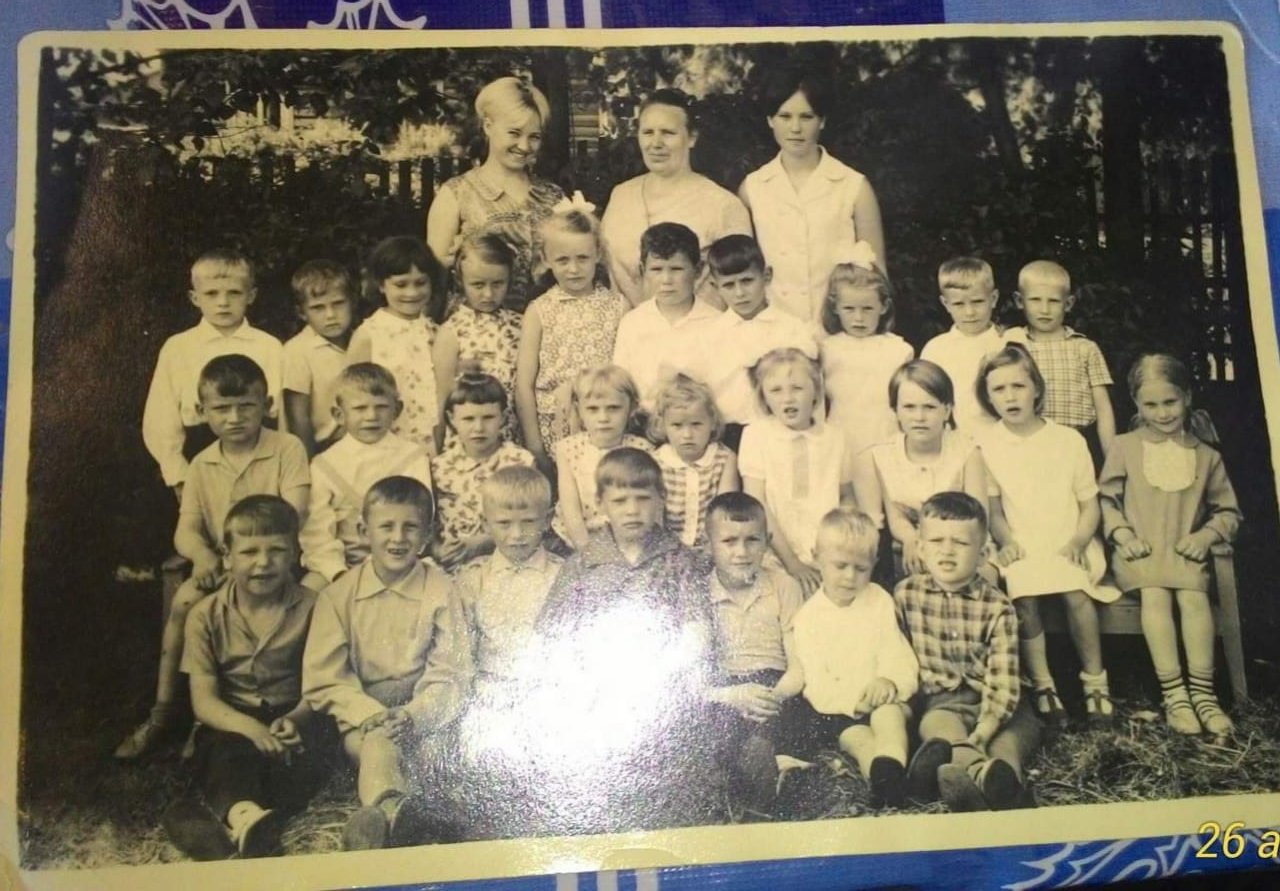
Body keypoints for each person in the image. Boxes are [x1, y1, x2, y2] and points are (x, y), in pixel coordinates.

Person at [117, 355, 310, 760]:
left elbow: (294, 513)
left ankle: (232, 713)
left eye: (246, 406)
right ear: (202, 411)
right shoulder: (202, 464)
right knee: (186, 601)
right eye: (222, 409)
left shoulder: (286, 448)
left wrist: (258, 556)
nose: (234, 418)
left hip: (274, 564)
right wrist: (204, 557)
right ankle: (165, 712)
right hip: (224, 566)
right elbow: (186, 528)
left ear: (267, 405)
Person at [531, 448, 715, 833]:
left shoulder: (677, 560)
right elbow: (551, 634)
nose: (632, 510)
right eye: (620, 501)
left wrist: (659, 672)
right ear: (601, 504)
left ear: (661, 500)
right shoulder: (584, 563)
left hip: (660, 685)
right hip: (594, 687)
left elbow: (696, 633)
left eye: (643, 498)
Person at [164, 496, 332, 860]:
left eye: (277, 550)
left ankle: (237, 826)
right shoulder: (205, 615)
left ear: (295, 554)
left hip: (294, 713)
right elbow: (204, 701)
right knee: (225, 753)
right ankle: (245, 818)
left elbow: (321, 682)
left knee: (306, 756)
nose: (263, 562)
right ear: (227, 557)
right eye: (249, 551)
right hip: (233, 718)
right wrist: (252, 729)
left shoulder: (315, 607)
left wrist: (296, 718)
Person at [303, 476, 464, 850]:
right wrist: (371, 715)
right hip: (364, 721)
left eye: (411, 527)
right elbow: (325, 678)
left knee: (434, 756)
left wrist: (414, 714)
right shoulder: (338, 596)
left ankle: (411, 820)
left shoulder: (442, 590)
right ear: (364, 531)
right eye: (386, 526)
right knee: (378, 746)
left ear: (427, 534)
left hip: (423, 715)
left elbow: (451, 669)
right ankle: (390, 813)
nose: (398, 538)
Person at [1098, 354, 1242, 736]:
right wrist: (1123, 535)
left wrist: (1205, 537)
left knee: (1192, 597)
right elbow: (1106, 501)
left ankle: (1204, 695)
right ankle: (1175, 695)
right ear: (1136, 404)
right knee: (1156, 593)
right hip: (1140, 553)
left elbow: (1228, 511)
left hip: (1183, 552)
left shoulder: (1206, 456)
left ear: (1187, 397)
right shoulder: (1124, 447)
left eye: (1170, 402)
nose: (1162, 413)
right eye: (1151, 404)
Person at [976, 343, 1115, 729]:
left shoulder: (1068, 440)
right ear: (988, 397)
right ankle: (1043, 684)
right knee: (1024, 593)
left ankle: (1095, 682)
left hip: (1071, 538)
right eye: (999, 389)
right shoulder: (987, 445)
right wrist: (1007, 542)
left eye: (1018, 386)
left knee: (1075, 590)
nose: (1010, 397)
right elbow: (994, 511)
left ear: (1036, 388)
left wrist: (1078, 542)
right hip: (1021, 541)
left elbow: (1090, 506)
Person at [895, 492, 1040, 812]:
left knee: (1005, 744)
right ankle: (972, 775)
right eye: (936, 541)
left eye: (960, 543)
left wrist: (986, 728)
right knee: (939, 730)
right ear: (920, 548)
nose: (947, 550)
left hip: (1004, 704)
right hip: (942, 702)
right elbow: (897, 656)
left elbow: (1004, 682)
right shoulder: (906, 596)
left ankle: (1003, 784)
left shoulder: (997, 606)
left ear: (983, 554)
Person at [448, 466, 563, 837]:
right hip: (490, 697)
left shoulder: (563, 576)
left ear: (548, 519)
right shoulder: (472, 579)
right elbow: (461, 654)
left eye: (528, 522)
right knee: (485, 760)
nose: (516, 535)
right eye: (504, 523)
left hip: (547, 694)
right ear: (485, 523)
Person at [788, 509, 918, 810]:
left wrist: (888, 681)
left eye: (860, 568)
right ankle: (887, 781)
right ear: (816, 557)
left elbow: (896, 650)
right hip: (842, 710)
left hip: (885, 699)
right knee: (858, 740)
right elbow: (816, 684)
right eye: (840, 565)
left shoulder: (878, 600)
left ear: (874, 563)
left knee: (888, 718)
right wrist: (853, 704)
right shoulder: (808, 618)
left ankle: (893, 761)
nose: (850, 576)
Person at [738, 68, 885, 324]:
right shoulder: (752, 188)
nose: (795, 128)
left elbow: (877, 273)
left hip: (839, 329)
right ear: (770, 120)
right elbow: (740, 270)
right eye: (785, 116)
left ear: (822, 121)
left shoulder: (853, 186)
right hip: (774, 328)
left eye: (806, 117)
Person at [142, 248, 282, 493]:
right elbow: (161, 419)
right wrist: (179, 475)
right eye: (211, 293)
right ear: (195, 298)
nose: (223, 303)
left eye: (234, 293)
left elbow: (279, 411)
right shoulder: (179, 347)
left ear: (251, 295)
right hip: (199, 453)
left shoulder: (269, 346)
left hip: (259, 453)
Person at [600, 88, 752, 307]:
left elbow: (740, 286)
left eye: (668, 133)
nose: (656, 143)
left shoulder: (723, 205)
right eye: (648, 132)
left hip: (700, 326)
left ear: (691, 138)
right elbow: (605, 270)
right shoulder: (621, 195)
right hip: (625, 324)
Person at [425, 76, 565, 311]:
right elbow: (433, 281)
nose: (524, 146)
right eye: (514, 133)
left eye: (534, 137)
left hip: (545, 325)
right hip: (476, 329)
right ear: (488, 126)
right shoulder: (456, 194)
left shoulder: (554, 197)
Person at [702, 492, 803, 813]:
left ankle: (765, 780)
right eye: (729, 541)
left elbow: (799, 667)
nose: (742, 552)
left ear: (768, 542)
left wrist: (773, 698)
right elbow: (697, 678)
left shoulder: (784, 586)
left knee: (774, 729)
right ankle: (751, 774)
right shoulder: (701, 592)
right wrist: (732, 696)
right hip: (728, 688)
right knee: (716, 730)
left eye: (752, 540)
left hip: (776, 686)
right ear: (709, 544)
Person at [515, 196, 630, 467]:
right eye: (563, 260)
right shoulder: (539, 310)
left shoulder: (618, 306)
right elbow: (524, 384)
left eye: (582, 258)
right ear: (546, 259)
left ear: (598, 254)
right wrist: (535, 446)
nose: (574, 269)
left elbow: (625, 374)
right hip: (553, 428)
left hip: (605, 426)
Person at [298, 363, 433, 589]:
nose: (372, 416)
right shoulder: (325, 464)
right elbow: (316, 533)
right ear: (339, 415)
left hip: (400, 559)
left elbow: (421, 518)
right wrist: (338, 572)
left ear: (397, 410)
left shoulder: (413, 457)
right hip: (343, 565)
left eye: (381, 407)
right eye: (360, 408)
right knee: (308, 592)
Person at [852, 360, 987, 579]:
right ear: (895, 411)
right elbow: (896, 517)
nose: (919, 417)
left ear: (947, 410)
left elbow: (979, 519)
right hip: (910, 549)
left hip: (962, 547)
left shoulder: (968, 452)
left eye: (930, 407)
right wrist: (911, 539)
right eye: (909, 407)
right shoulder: (883, 456)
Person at [739, 347, 853, 596]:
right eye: (776, 390)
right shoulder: (756, 435)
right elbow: (757, 504)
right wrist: (793, 563)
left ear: (816, 392)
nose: (788, 398)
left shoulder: (835, 438)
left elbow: (846, 497)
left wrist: (837, 550)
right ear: (764, 397)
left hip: (826, 552)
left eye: (797, 388)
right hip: (775, 553)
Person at [697, 233, 819, 447]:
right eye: (729, 285)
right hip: (730, 436)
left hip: (783, 431)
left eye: (747, 281)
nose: (739, 293)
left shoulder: (792, 329)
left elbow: (812, 389)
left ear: (767, 276)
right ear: (715, 286)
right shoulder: (710, 336)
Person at [1004, 260, 1116, 470]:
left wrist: (1112, 463)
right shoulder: (1013, 345)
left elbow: (1103, 409)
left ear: (1069, 303)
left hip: (1080, 443)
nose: (1044, 309)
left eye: (1054, 301)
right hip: (1031, 444)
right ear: (1019, 301)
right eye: (1035, 300)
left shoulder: (1085, 348)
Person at [347, 236, 446, 452]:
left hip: (434, 441)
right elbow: (352, 397)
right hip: (388, 444)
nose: (412, 293)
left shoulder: (437, 332)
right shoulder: (369, 335)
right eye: (401, 284)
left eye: (421, 283)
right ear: (381, 285)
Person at [611, 222, 723, 410]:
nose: (666, 280)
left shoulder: (717, 323)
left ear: (698, 270)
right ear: (642, 270)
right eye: (657, 269)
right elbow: (621, 387)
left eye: (676, 269)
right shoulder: (633, 323)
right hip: (643, 421)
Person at [430, 374, 536, 573]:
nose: (478, 428)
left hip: (505, 559)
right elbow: (428, 526)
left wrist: (484, 543)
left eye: (488, 418)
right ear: (452, 419)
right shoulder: (439, 468)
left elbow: (532, 523)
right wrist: (437, 549)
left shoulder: (519, 462)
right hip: (452, 564)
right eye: (468, 419)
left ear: (503, 417)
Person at [819, 243, 915, 460]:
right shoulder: (827, 350)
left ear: (883, 307)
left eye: (867, 309)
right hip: (843, 434)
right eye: (849, 309)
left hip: (886, 434)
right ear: (835, 307)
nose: (859, 318)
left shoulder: (898, 350)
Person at [432, 233, 524, 446]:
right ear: (460, 280)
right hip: (469, 441)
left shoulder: (521, 324)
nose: (488, 294)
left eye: (498, 284)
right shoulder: (452, 331)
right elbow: (441, 397)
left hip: (510, 439)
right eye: (478, 285)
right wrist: (437, 448)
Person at [552, 365, 652, 550]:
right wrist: (588, 552)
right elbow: (570, 509)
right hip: (579, 540)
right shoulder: (568, 450)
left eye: (613, 408)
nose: (603, 418)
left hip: (630, 539)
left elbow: (648, 507)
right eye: (593, 409)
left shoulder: (642, 449)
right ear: (579, 411)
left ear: (631, 408)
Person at [649, 374, 739, 550]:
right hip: (666, 549)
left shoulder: (724, 458)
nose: (687, 435)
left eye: (696, 424)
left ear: (712, 422)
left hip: (711, 547)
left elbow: (725, 513)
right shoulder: (655, 462)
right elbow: (653, 518)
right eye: (677, 425)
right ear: (663, 425)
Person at [920, 257, 1005, 435]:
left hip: (1000, 437)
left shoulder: (1005, 344)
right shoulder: (936, 349)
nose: (970, 312)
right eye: (959, 304)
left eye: (978, 301)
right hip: (952, 438)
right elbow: (926, 398)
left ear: (993, 298)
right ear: (946, 304)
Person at [282, 259, 356, 456]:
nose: (330, 315)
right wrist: (310, 462)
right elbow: (298, 418)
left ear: (352, 302)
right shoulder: (297, 350)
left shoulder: (362, 339)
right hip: (324, 448)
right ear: (302, 313)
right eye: (318, 308)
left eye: (338, 304)